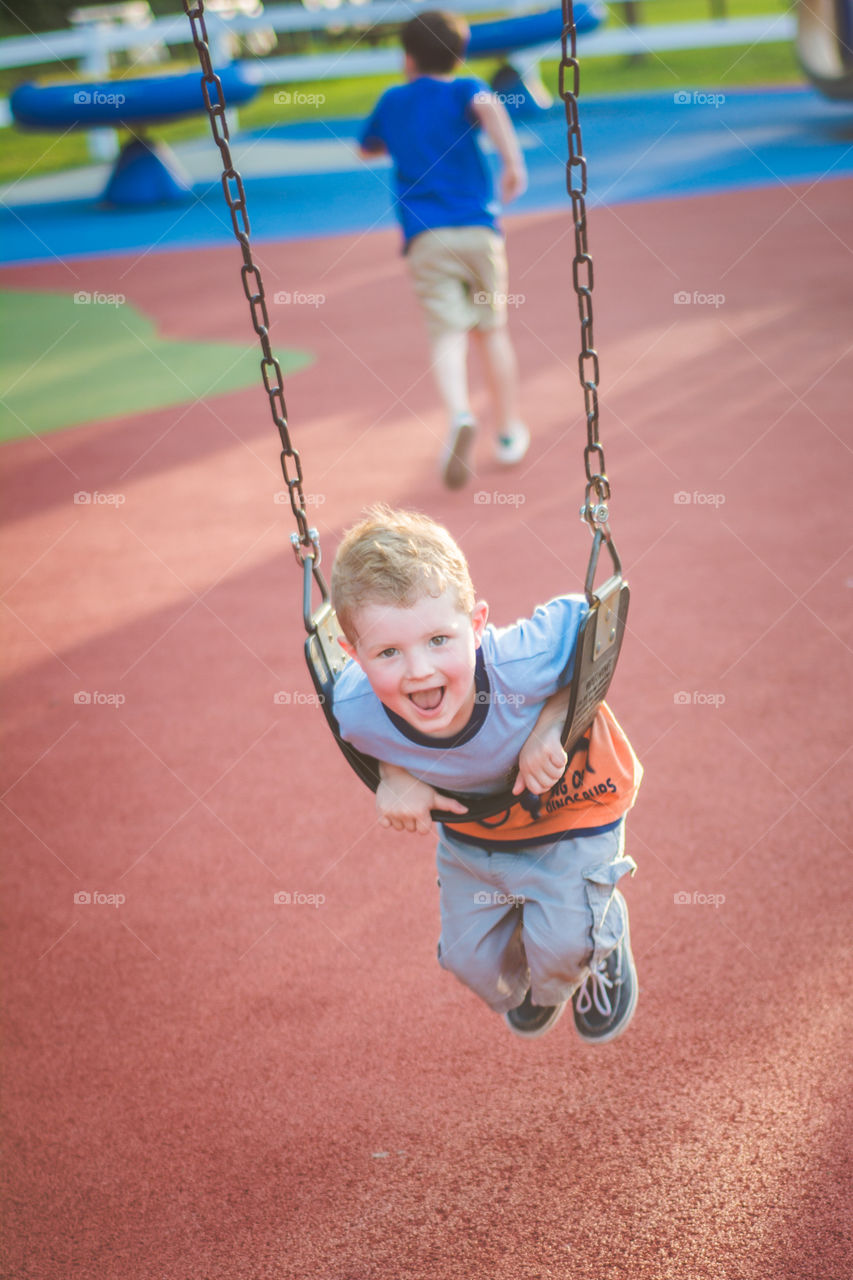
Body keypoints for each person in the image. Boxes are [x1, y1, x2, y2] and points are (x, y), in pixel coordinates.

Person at [330, 506, 644, 1044]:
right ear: (353, 657)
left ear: (476, 625)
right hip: (479, 839)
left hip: (568, 812)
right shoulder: (354, 707)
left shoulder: (523, 660)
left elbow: (592, 626)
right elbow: (367, 738)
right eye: (387, 652)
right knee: (469, 963)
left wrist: (550, 727)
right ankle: (543, 973)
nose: (419, 670)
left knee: (569, 944)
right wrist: (392, 775)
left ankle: (597, 947)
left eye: (438, 640)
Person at [359, 10, 530, 490]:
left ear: (407, 58)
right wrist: (512, 163)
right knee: (492, 330)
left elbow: (366, 147)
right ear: (459, 54)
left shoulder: (393, 100)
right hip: (478, 229)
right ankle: (509, 431)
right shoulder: (464, 89)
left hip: (426, 236)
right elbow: (491, 109)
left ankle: (459, 413)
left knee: (446, 333)